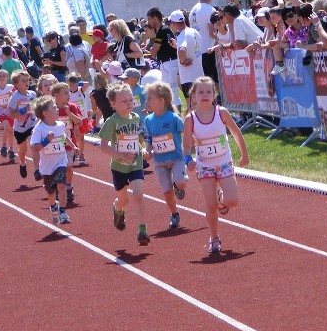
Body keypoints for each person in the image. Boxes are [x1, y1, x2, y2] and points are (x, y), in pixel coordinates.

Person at [182, 77, 249, 255]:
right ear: (193, 96)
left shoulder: (222, 113)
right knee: (209, 205)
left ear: (214, 95)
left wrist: (244, 154)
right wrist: (188, 160)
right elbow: (186, 145)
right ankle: (214, 237)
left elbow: (236, 132)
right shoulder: (190, 119)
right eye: (201, 92)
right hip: (205, 166)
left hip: (224, 162)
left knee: (232, 200)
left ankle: (222, 199)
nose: (205, 95)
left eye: (209, 92)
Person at [99, 80, 150, 246]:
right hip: (119, 167)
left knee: (138, 194)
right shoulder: (112, 121)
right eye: (124, 101)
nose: (129, 103)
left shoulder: (135, 118)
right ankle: (118, 208)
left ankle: (142, 229)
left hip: (135, 164)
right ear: (113, 104)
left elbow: (137, 140)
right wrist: (120, 154)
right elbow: (103, 146)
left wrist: (142, 150)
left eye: (131, 100)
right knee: (124, 201)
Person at [143, 81, 188, 230]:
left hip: (176, 158)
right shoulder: (148, 120)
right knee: (167, 192)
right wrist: (147, 151)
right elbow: (149, 140)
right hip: (160, 161)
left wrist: (193, 142)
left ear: (161, 101)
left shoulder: (173, 118)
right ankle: (174, 214)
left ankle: (179, 186)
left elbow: (185, 132)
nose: (146, 101)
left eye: (150, 98)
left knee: (181, 181)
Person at [30, 95, 74, 225]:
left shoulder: (60, 124)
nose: (57, 108)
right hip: (47, 166)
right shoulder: (39, 129)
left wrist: (73, 146)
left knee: (61, 185)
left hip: (61, 161)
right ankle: (53, 206)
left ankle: (63, 212)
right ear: (45, 113)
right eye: (54, 107)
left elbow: (64, 137)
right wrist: (46, 141)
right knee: (50, 192)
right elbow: (35, 148)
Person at [51, 81, 84, 204]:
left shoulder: (72, 107)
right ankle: (59, 188)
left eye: (69, 91)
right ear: (56, 95)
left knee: (68, 167)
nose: (69, 94)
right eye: (65, 92)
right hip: (55, 144)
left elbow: (79, 122)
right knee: (57, 168)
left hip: (69, 144)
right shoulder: (51, 108)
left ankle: (68, 187)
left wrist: (69, 114)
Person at [146, 7, 182, 111]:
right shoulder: (163, 30)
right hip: (166, 62)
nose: (149, 22)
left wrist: (151, 53)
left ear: (155, 19)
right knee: (169, 89)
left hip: (170, 62)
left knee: (173, 90)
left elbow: (154, 51)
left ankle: (177, 114)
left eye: (149, 19)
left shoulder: (162, 31)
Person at [7, 70, 38, 179]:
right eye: (23, 81)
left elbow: (36, 108)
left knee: (33, 146)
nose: (26, 83)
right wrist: (24, 110)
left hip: (32, 125)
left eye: (27, 80)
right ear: (16, 84)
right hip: (20, 128)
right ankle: (22, 163)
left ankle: (37, 170)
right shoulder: (14, 97)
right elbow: (11, 115)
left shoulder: (33, 94)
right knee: (23, 150)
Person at [169, 10, 203, 103]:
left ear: (173, 23)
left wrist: (182, 61)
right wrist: (176, 46)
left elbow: (182, 50)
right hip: (199, 73)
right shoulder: (194, 31)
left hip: (188, 77)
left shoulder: (182, 35)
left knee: (192, 106)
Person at [190, 0, 219, 84]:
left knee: (204, 79)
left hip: (198, 50)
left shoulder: (193, 10)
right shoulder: (210, 9)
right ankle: (217, 98)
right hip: (209, 48)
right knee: (214, 78)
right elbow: (212, 32)